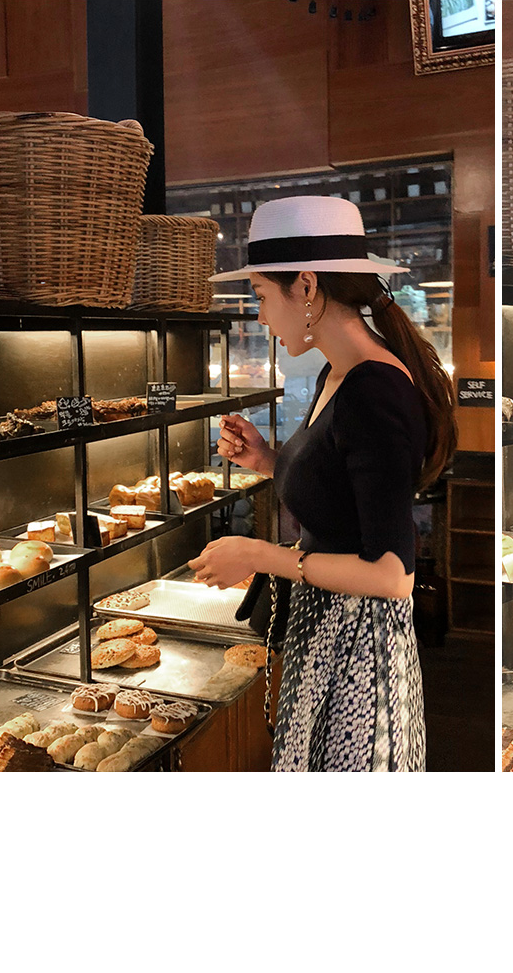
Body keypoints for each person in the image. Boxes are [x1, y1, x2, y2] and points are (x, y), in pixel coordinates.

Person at [188, 195, 457, 771]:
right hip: (327, 633)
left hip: (357, 652)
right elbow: (343, 492)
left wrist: (259, 555)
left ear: (306, 287)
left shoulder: (374, 389)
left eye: (262, 295)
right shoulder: (339, 374)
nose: (261, 316)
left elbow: (391, 575)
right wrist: (267, 460)